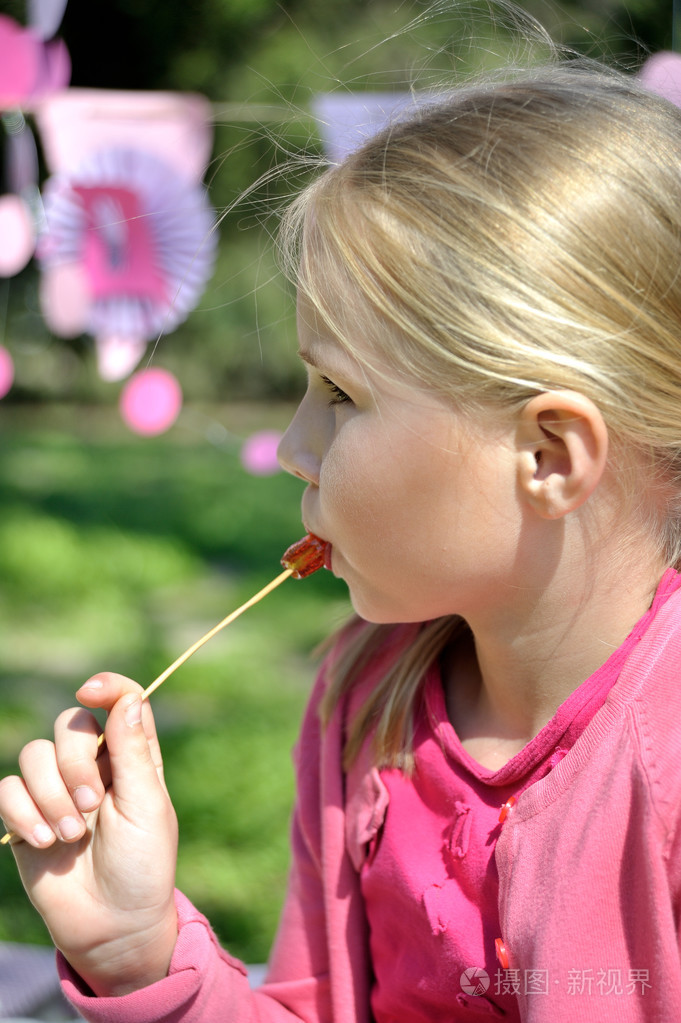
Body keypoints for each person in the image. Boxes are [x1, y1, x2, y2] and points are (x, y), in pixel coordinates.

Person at [2, 59, 681, 1023]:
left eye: (338, 395)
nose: (289, 448)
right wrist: (136, 950)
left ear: (545, 453)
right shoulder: (366, 701)